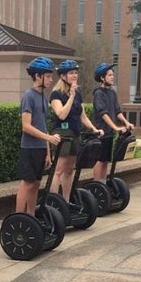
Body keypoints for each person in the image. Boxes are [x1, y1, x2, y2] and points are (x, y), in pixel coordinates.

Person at [49, 59, 103, 201]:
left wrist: (94, 129)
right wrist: (71, 96)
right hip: (62, 133)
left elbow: (83, 116)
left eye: (75, 73)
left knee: (69, 169)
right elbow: (61, 114)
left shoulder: (78, 94)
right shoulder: (56, 94)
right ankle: (55, 202)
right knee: (58, 170)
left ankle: (66, 201)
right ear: (62, 76)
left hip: (75, 133)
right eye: (71, 73)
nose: (74, 76)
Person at [15, 57, 61, 215]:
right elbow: (26, 126)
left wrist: (47, 151)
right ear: (37, 76)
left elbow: (42, 125)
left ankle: (30, 216)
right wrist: (48, 138)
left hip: (40, 148)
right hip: (29, 148)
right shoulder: (29, 95)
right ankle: (19, 217)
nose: (51, 79)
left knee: (35, 184)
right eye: (47, 76)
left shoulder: (43, 96)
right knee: (26, 184)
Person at [91, 62, 134, 181]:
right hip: (101, 132)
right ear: (102, 78)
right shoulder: (98, 93)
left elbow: (117, 111)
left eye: (112, 75)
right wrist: (115, 127)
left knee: (105, 160)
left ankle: (103, 184)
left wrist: (126, 123)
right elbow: (103, 113)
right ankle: (97, 184)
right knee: (99, 160)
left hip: (109, 133)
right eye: (109, 75)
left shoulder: (112, 93)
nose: (112, 77)